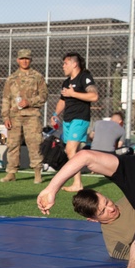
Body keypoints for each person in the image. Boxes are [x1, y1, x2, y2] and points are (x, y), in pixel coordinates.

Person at [0, 48, 48, 183]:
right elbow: (6, 98)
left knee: (34, 144)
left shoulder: (37, 77)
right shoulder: (11, 78)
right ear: (17, 60)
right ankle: (11, 172)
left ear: (30, 60)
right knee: (13, 144)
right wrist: (5, 117)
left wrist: (30, 102)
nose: (24, 61)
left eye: (27, 58)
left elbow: (44, 96)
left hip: (32, 115)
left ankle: (37, 173)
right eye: (22, 58)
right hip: (14, 116)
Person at [53, 52, 98, 192]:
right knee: (72, 151)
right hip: (68, 120)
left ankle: (77, 183)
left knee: (70, 150)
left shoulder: (85, 77)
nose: (63, 66)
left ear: (74, 64)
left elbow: (94, 95)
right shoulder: (66, 82)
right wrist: (55, 114)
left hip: (80, 119)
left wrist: (73, 94)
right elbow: (62, 100)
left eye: (65, 63)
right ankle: (79, 180)